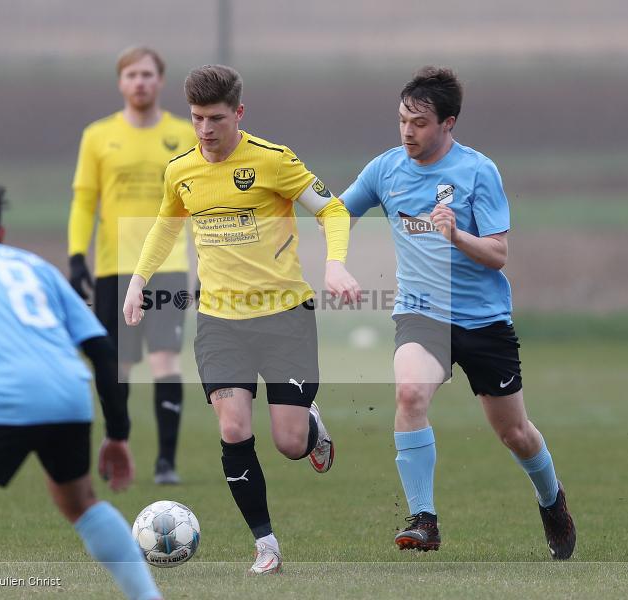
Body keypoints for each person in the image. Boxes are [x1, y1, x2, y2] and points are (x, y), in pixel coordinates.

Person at [122, 65, 361, 574]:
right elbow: (165, 226)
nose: (205, 130)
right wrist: (139, 280)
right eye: (196, 119)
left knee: (289, 442)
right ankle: (266, 545)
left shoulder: (274, 161)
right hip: (219, 321)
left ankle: (311, 426)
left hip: (284, 319)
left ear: (239, 114)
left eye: (215, 118)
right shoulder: (181, 169)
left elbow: (333, 210)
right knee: (233, 428)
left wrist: (335, 262)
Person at [339, 67, 576, 560]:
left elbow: (497, 254)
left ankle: (551, 501)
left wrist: (456, 236)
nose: (408, 131)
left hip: (485, 321)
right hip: (421, 315)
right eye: (403, 119)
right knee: (409, 392)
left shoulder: (477, 171)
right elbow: (339, 213)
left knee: (515, 433)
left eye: (420, 122)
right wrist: (325, 252)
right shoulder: (385, 169)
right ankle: (424, 519)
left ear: (448, 123)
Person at [0, 179, 161, 599]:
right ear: (0, 234)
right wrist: (117, 432)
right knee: (80, 503)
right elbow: (101, 348)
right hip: (70, 394)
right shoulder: (34, 265)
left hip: (8, 395)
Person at [67, 46, 196, 484]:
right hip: (113, 268)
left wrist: (207, 262)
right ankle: (117, 442)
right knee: (115, 364)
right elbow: (85, 201)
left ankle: (166, 462)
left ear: (160, 81)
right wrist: (75, 255)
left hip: (169, 264)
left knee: (165, 360)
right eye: (131, 75)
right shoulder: (97, 136)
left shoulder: (186, 133)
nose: (139, 82)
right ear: (120, 83)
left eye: (147, 74)